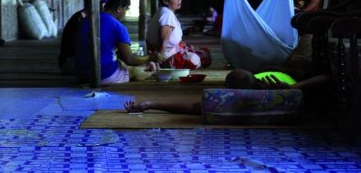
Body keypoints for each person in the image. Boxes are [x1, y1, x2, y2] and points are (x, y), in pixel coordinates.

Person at [123, 70, 331, 115]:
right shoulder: (278, 92)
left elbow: (194, 107)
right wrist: (293, 89)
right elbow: (325, 78)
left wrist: (150, 104)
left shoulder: (276, 87)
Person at [75, 0, 161, 84]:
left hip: (82, 75)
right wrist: (150, 57)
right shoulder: (118, 27)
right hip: (103, 76)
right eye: (126, 9)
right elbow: (129, 59)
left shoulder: (87, 20)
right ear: (119, 8)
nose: (125, 13)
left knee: (121, 64)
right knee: (134, 72)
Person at [146, 0, 211, 69]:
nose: (179, 0)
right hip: (168, 58)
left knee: (204, 52)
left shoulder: (164, 12)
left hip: (170, 52)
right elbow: (163, 43)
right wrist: (158, 63)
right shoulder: (167, 15)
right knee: (199, 59)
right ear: (165, 1)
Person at [58, 0, 107, 75]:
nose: (104, 6)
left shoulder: (91, 17)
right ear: (92, 2)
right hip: (70, 63)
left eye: (106, 2)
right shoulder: (78, 20)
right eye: (102, 2)